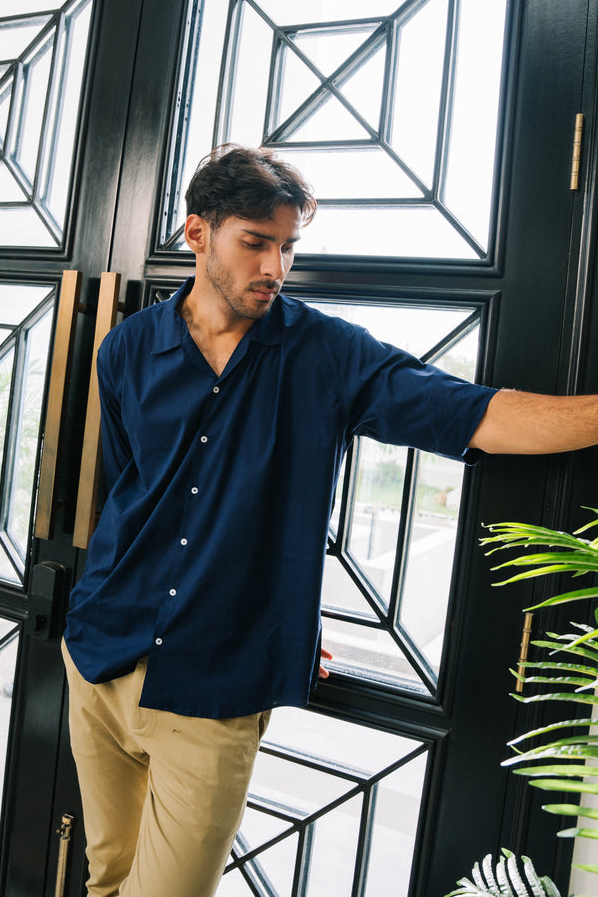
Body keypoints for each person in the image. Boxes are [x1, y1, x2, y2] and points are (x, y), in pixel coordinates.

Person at [62, 144, 598, 897]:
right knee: (106, 878)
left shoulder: (327, 354)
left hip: (213, 690)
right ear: (197, 234)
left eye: (287, 247)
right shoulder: (126, 350)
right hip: (98, 655)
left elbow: (475, 414)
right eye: (255, 242)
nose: (274, 267)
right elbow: (127, 493)